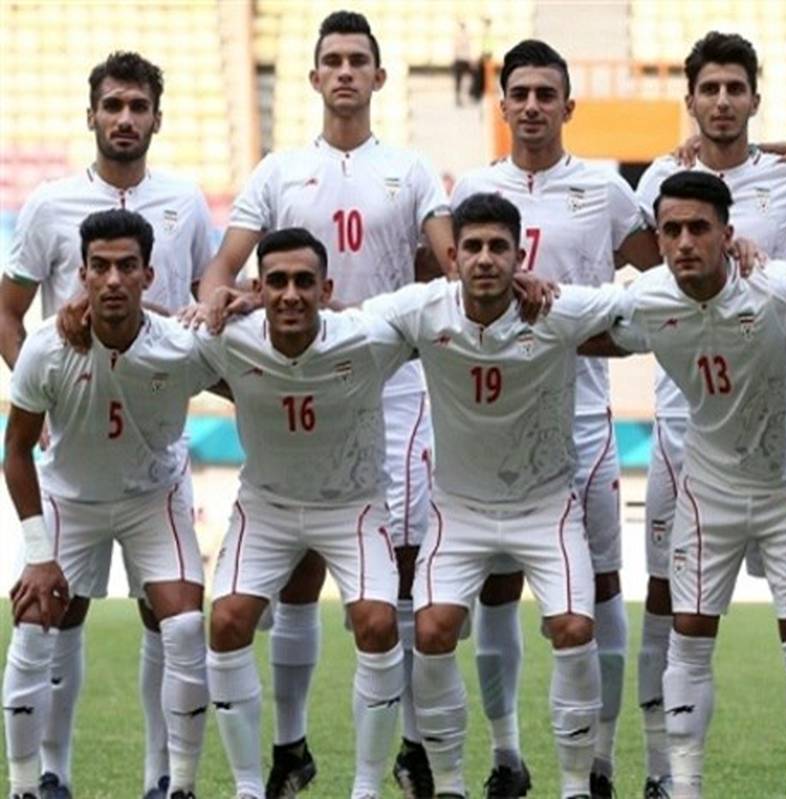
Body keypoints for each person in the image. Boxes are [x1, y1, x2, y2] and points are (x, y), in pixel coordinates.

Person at [193, 11, 454, 795]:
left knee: (396, 578)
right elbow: (222, 269)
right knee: (297, 578)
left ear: (378, 76)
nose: (344, 71)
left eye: (357, 60)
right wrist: (218, 300)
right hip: (298, 376)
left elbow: (450, 265)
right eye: (332, 60)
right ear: (313, 78)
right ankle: (291, 747)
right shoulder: (279, 170)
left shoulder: (411, 169)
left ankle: (410, 747)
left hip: (389, 384)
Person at [361, 192, 630, 799]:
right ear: (453, 257)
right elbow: (344, 323)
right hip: (459, 511)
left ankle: (575, 786)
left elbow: (637, 304)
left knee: (574, 627)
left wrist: (735, 262)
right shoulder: (423, 309)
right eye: (474, 247)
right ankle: (450, 784)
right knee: (432, 631)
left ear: (520, 255)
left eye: (498, 248)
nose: (485, 258)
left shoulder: (557, 309)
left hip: (546, 508)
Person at [447, 38, 659, 799]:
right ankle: (506, 755)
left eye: (546, 94)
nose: (533, 106)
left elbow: (659, 276)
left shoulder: (604, 190)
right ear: (502, 104)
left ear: (568, 105)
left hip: (584, 422)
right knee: (497, 590)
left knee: (601, 589)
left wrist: (578, 318)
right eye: (521, 93)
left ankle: (599, 760)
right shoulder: (475, 188)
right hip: (495, 427)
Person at [0, 52, 213, 799]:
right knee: (55, 613)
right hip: (75, 454)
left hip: (154, 451)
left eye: (138, 106)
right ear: (91, 114)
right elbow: (7, 310)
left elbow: (206, 304)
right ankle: (47, 776)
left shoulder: (186, 202)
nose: (125, 118)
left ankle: (166, 778)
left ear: (157, 117)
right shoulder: (50, 204)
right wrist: (46, 389)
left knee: (170, 620)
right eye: (113, 105)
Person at [630, 32, 786, 796]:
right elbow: (639, 284)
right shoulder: (660, 176)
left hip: (774, 429)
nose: (721, 101)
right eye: (708, 89)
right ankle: (663, 770)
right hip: (682, 432)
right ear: (690, 99)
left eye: (734, 88)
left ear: (754, 97)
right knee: (667, 606)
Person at [200, 228, 410, 799]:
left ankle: (365, 788)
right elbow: (156, 330)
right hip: (266, 507)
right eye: (276, 282)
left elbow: (441, 315)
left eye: (303, 282)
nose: (290, 294)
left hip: (352, 505)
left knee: (378, 623)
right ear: (256, 289)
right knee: (226, 621)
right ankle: (248, 787)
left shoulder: (366, 336)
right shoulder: (230, 337)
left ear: (326, 289)